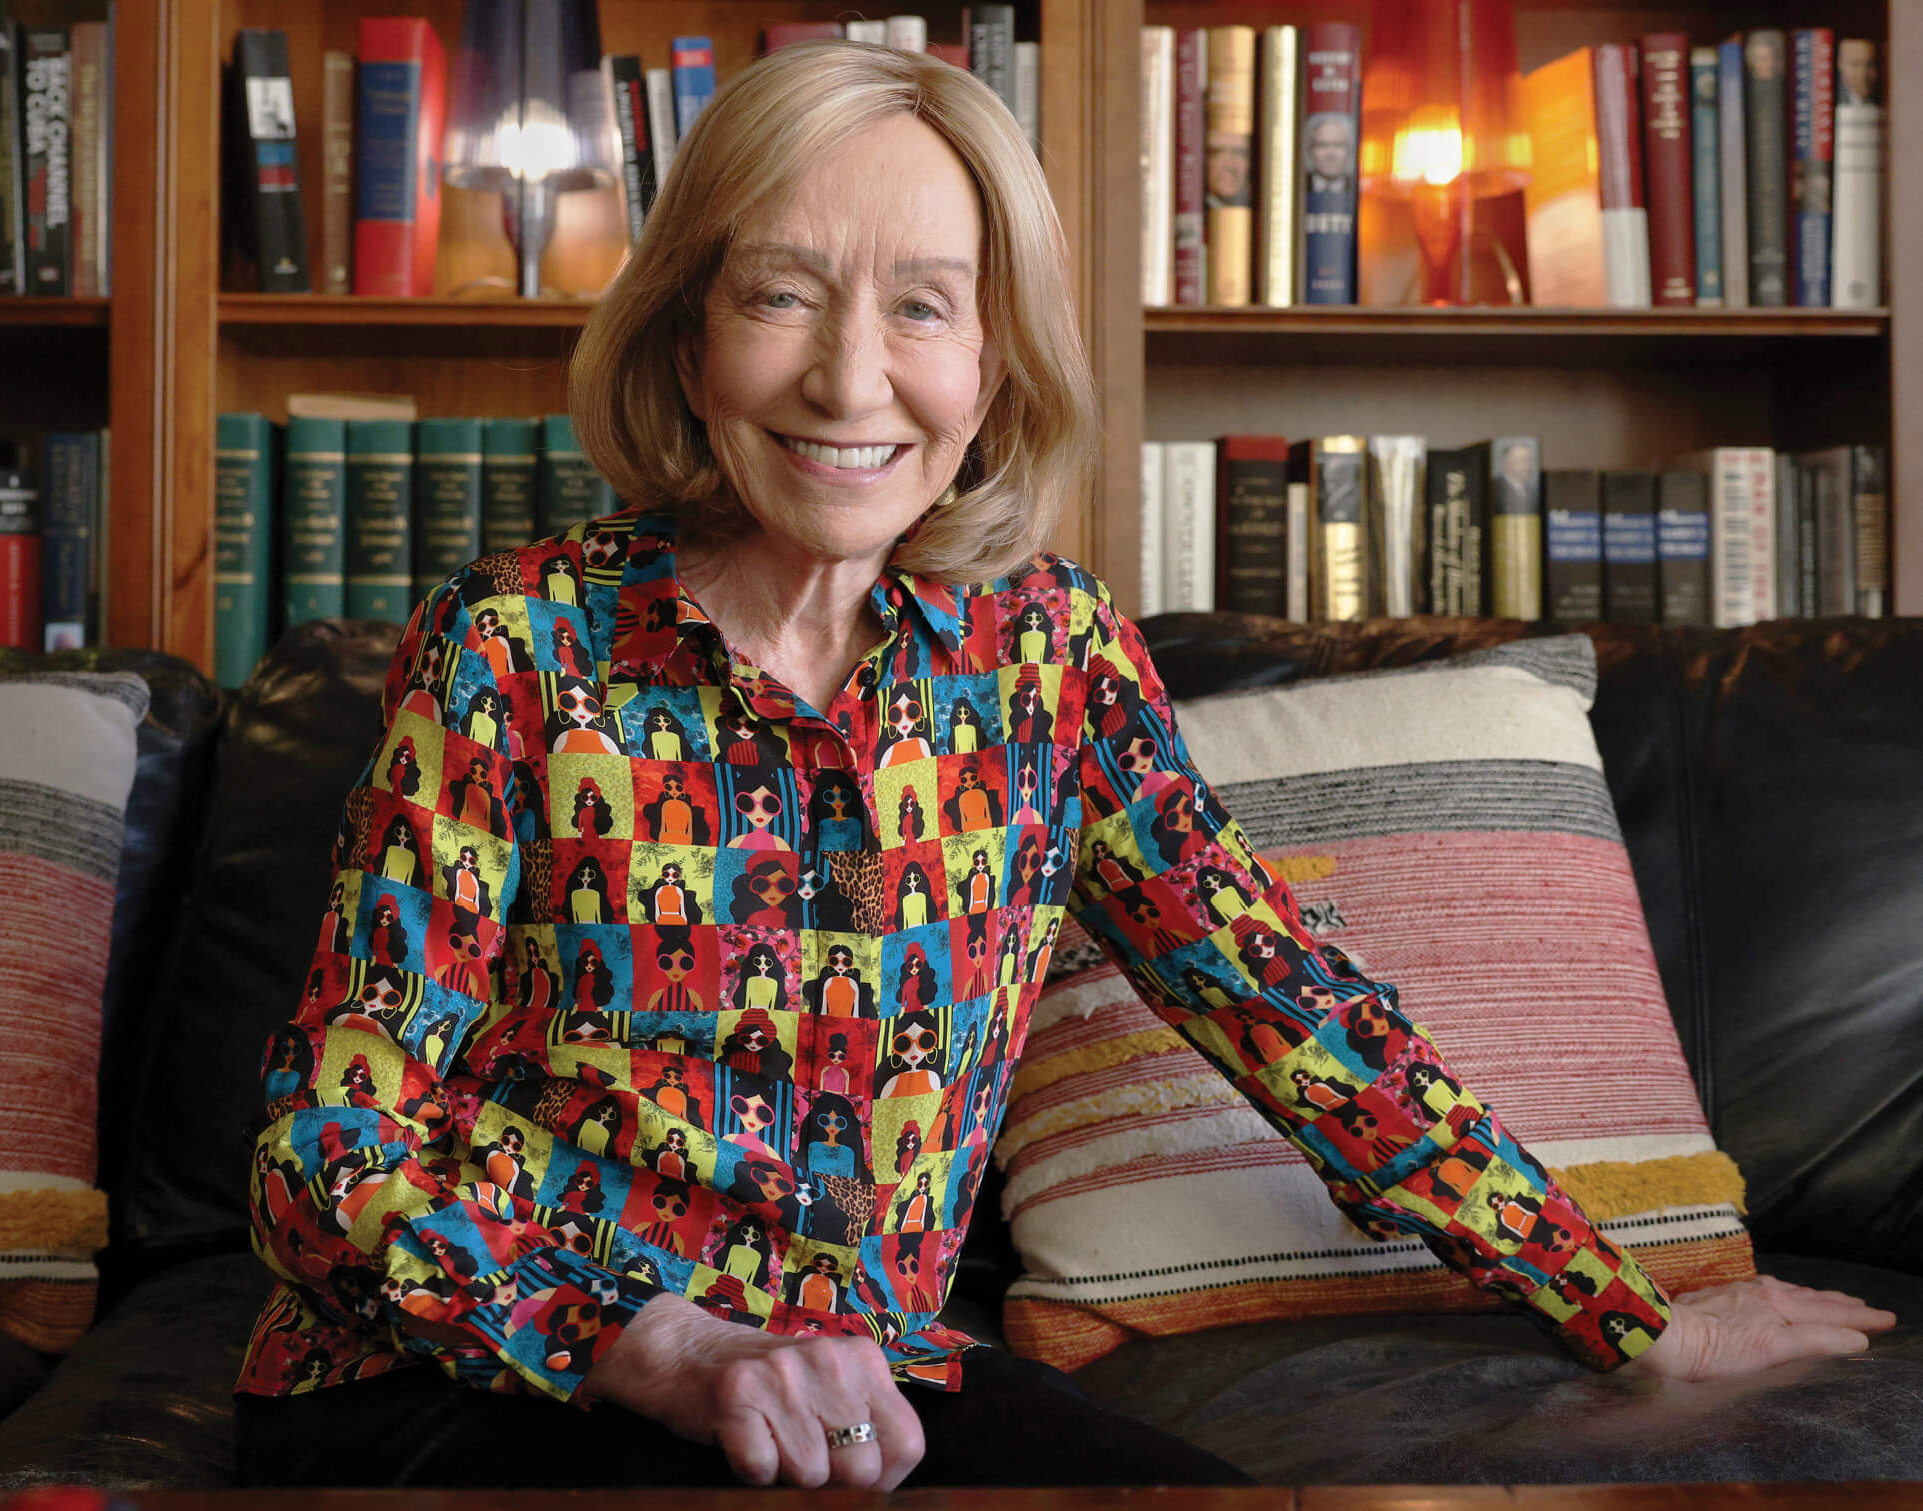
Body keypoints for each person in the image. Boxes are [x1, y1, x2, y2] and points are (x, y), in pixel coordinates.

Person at [233, 40, 1894, 1494]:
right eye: (781, 293)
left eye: (924, 308)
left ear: (995, 369)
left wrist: (1621, 1309)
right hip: (465, 1381)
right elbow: (326, 1140)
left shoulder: (1046, 660)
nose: (850, 378)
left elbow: (1286, 1001)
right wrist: (655, 1343)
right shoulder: (521, 644)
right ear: (687, 339)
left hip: (860, 1394)